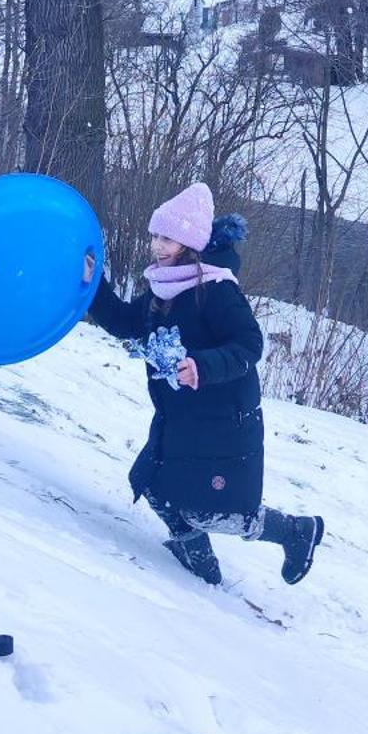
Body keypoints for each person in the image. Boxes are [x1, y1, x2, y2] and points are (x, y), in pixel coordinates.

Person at [86, 183, 325, 589]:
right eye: (155, 236)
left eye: (167, 238)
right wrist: (94, 285)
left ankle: (296, 532)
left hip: (223, 420)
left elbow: (250, 344)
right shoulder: (164, 285)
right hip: (181, 417)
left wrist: (202, 365)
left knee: (217, 510)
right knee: (152, 483)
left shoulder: (217, 291)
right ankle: (201, 562)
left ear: (190, 244)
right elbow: (128, 323)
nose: (156, 245)